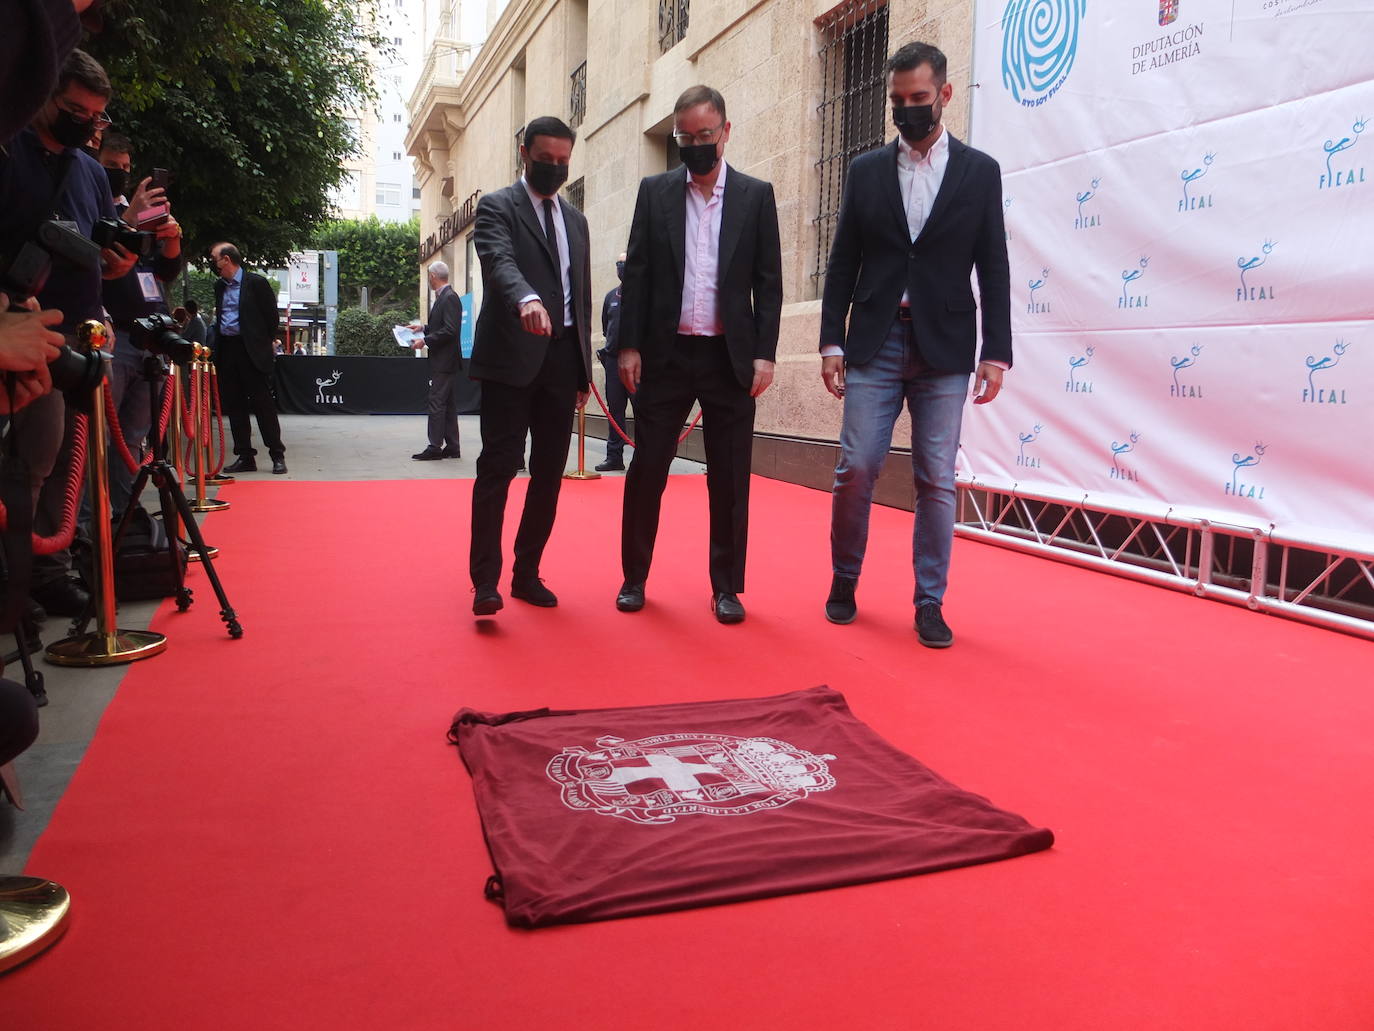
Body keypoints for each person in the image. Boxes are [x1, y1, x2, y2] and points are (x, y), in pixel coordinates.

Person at [819, 41, 1011, 648]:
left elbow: (995, 264)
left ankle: (930, 602)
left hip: (946, 349)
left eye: (919, 99)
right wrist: (831, 341)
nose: (907, 110)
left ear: (945, 95)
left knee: (935, 478)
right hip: (875, 343)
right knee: (858, 467)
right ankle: (844, 579)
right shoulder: (866, 170)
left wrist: (997, 352)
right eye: (898, 101)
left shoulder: (979, 172)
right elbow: (843, 260)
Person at [614, 85, 782, 625]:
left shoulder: (756, 197)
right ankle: (634, 577)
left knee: (729, 477)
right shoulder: (656, 192)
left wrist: (764, 354)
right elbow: (636, 273)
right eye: (685, 137)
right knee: (647, 469)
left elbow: (768, 284)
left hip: (729, 359)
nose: (695, 145)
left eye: (704, 136)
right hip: (665, 356)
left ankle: (727, 587)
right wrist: (629, 344)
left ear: (725, 132)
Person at [0, 48, 138, 617]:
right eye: (76, 110)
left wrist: (116, 264)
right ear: (44, 98)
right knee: (27, 465)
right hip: (15, 331)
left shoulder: (88, 171)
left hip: (75, 340)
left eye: (97, 116)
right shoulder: (9, 151)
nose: (87, 124)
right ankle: (15, 579)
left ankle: (44, 573)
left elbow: (98, 253)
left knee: (59, 462)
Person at [466, 115, 592, 615]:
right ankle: (485, 582)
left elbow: (580, 298)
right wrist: (526, 299)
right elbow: (499, 261)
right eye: (546, 160)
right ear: (525, 153)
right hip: (510, 359)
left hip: (561, 363)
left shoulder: (576, 221)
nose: (555, 169)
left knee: (548, 474)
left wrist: (583, 370)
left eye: (563, 162)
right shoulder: (497, 206)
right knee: (498, 469)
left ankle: (526, 572)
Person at [96, 131, 184, 516]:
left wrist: (172, 239)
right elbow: (96, 262)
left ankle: (124, 517)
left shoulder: (136, 210)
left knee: (132, 439)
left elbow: (164, 269)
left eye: (125, 168)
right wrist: (129, 221)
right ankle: (89, 527)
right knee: (98, 438)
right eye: (111, 167)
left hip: (151, 337)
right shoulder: (95, 210)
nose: (119, 175)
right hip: (112, 338)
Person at [209, 242, 288, 474]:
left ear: (227, 259)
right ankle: (245, 456)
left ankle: (277, 455)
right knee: (235, 406)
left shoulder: (256, 283)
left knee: (263, 405)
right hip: (228, 349)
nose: (214, 264)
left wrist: (263, 343)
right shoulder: (219, 286)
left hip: (252, 350)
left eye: (215, 259)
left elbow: (271, 318)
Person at [409, 260, 463, 461]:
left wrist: (425, 340)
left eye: (428, 276)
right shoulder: (447, 297)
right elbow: (443, 326)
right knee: (447, 404)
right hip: (445, 360)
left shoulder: (449, 298)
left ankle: (434, 447)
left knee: (437, 402)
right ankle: (452, 446)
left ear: (433, 276)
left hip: (444, 361)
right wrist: (422, 328)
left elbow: (450, 330)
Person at [594, 252, 631, 472]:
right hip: (613, 362)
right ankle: (614, 456)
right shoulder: (610, 297)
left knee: (644, 410)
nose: (621, 268)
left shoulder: (645, 296)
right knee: (615, 410)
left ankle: (646, 458)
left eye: (625, 263)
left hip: (638, 364)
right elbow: (606, 327)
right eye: (619, 263)